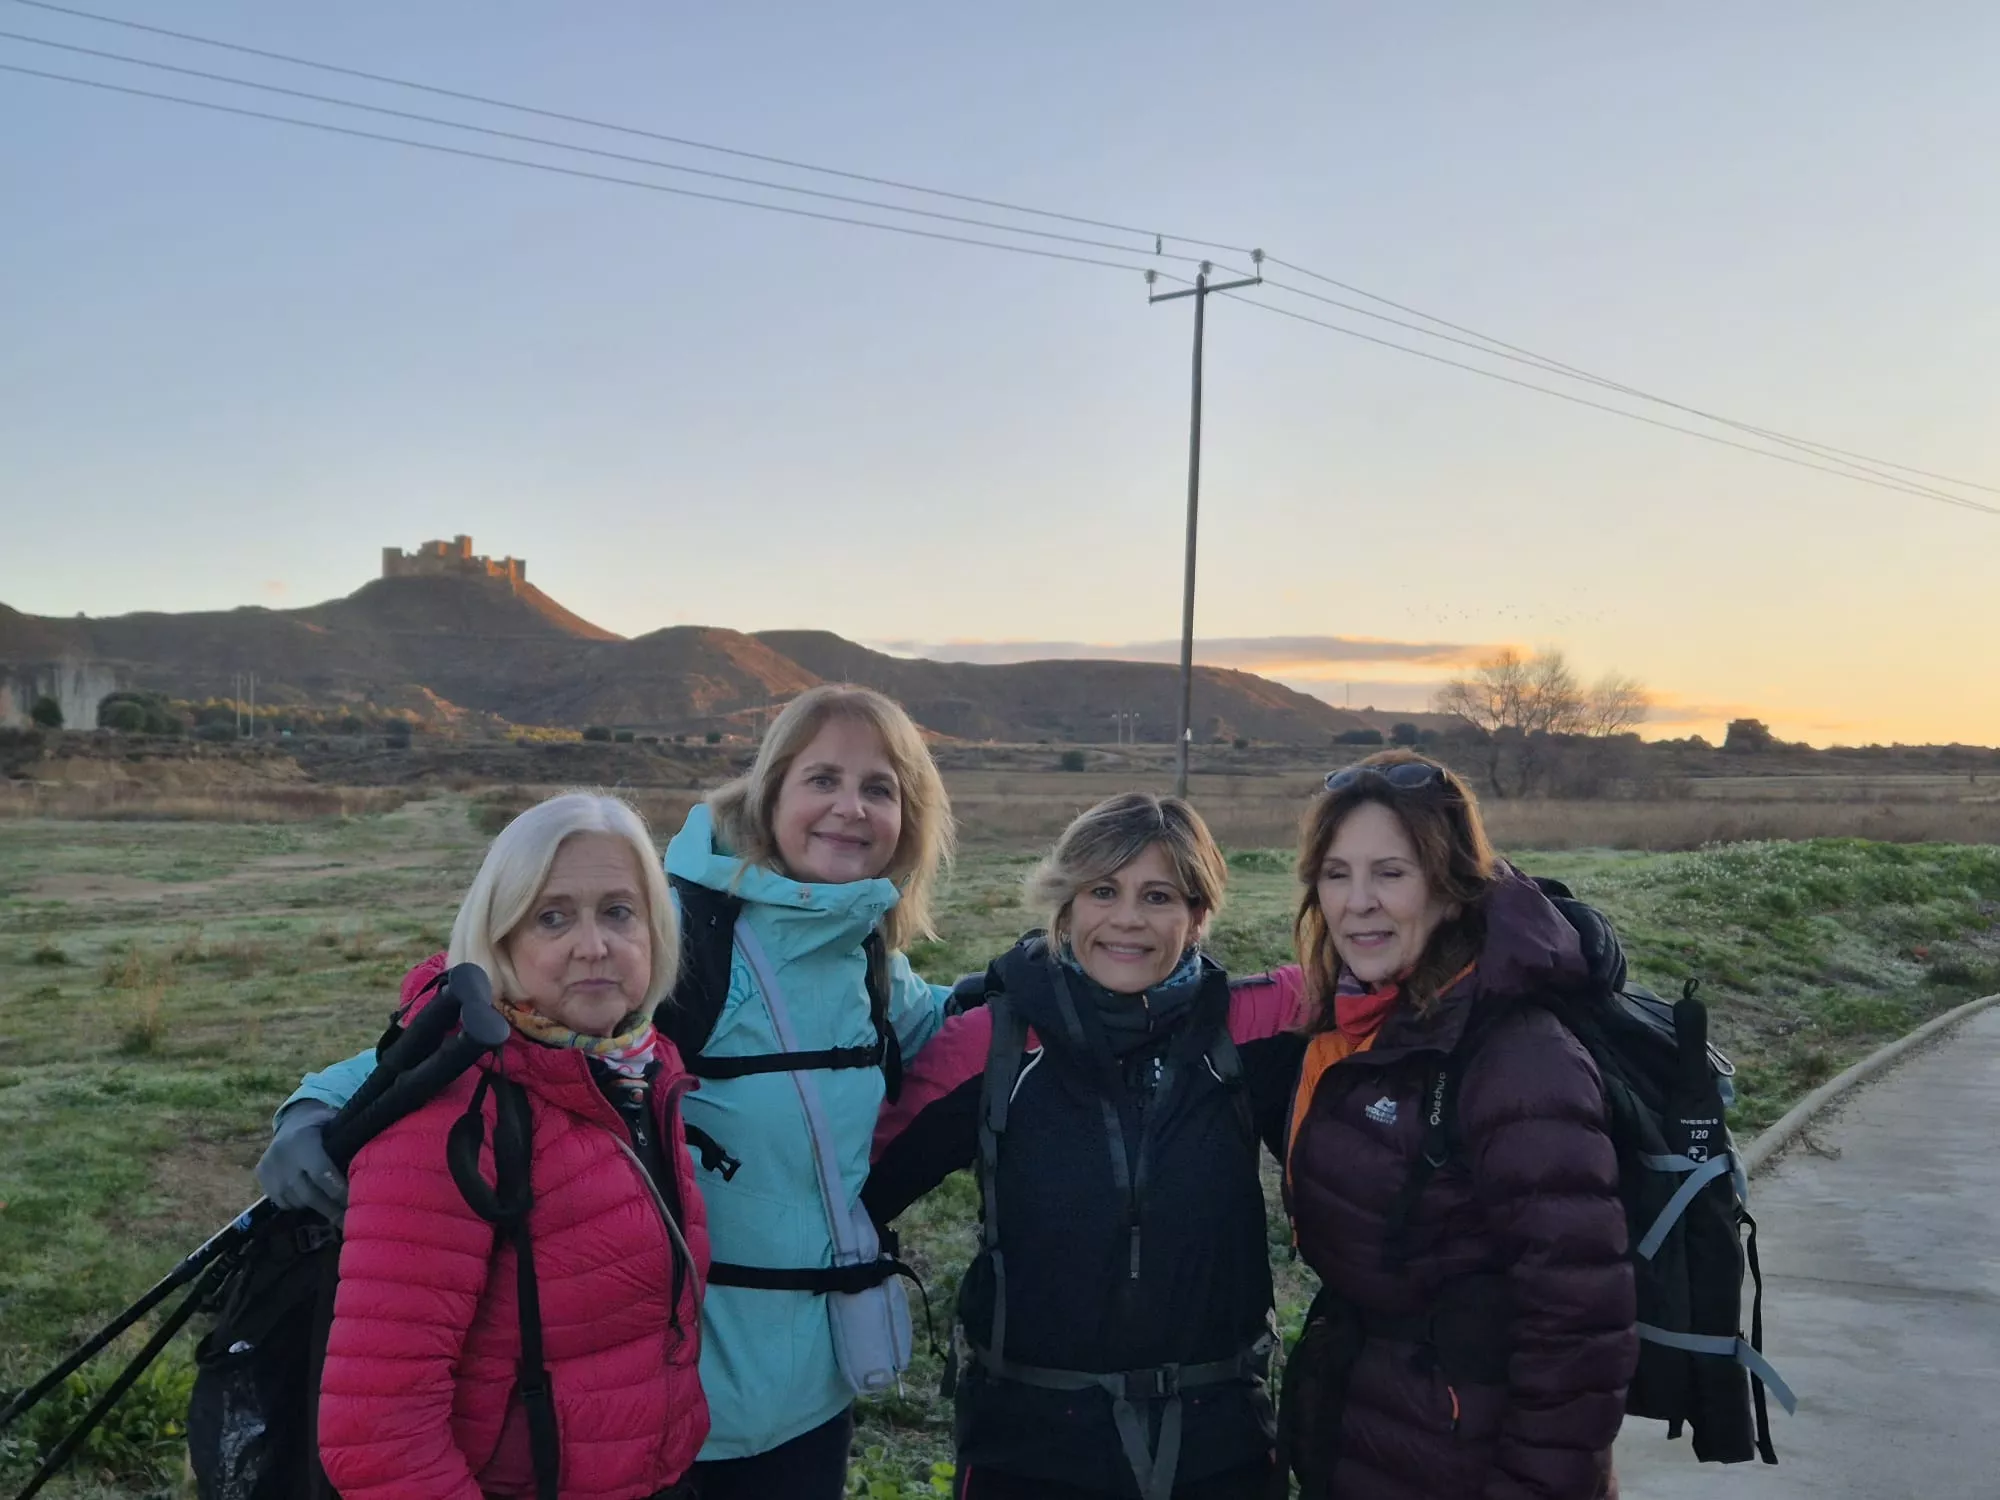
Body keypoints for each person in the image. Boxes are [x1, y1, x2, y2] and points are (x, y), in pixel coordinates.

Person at [260, 687, 958, 1500]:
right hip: (677, 1406)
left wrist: (1064, 969)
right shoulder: (688, 941)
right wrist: (316, 1105)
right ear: (770, 796)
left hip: (810, 1393)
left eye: (879, 788)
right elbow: (485, 1027)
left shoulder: (864, 956)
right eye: (822, 780)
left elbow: (943, 1022)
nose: (849, 809)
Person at [864, 792, 1308, 1500]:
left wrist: (1512, 915)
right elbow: (856, 1186)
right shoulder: (993, 1041)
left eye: (1158, 895)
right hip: (1031, 1446)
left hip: (1217, 1444)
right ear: (1064, 906)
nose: (1127, 918)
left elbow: (1389, 969)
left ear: (1198, 916)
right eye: (1103, 890)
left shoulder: (1252, 1025)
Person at [316, 791, 709, 1500]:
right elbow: (377, 1435)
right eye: (551, 917)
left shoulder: (636, 1075)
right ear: (498, 942)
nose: (594, 946)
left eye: (618, 912)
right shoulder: (454, 1116)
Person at [1280, 750, 1636, 1500]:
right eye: (1337, 874)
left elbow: (1576, 1332)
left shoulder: (1517, 1060)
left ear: (1451, 887)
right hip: (1380, 1432)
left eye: (1392, 873)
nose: (1358, 902)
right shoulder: (1366, 1024)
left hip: (1465, 1458)